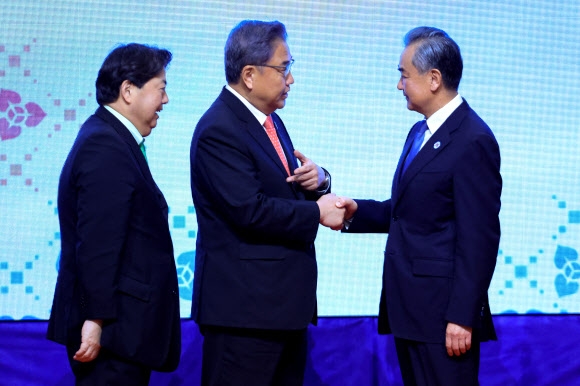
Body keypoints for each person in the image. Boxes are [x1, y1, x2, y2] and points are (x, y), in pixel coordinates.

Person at [338, 27, 502, 385]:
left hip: (444, 316)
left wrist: (462, 316)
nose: (399, 85)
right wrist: (356, 213)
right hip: (410, 308)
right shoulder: (418, 133)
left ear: (433, 79)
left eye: (403, 75)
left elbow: (480, 239)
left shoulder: (473, 140)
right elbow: (408, 210)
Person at [190, 20, 344, 386]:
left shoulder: (268, 121)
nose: (290, 78)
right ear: (249, 74)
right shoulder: (219, 130)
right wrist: (316, 212)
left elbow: (281, 188)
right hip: (245, 315)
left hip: (278, 310)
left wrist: (319, 181)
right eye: (283, 68)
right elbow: (250, 210)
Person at [46, 43, 181, 385]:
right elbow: (98, 244)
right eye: (161, 89)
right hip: (112, 336)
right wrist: (95, 320)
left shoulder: (110, 138)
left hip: (122, 333)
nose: (165, 100)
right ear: (128, 91)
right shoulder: (104, 145)